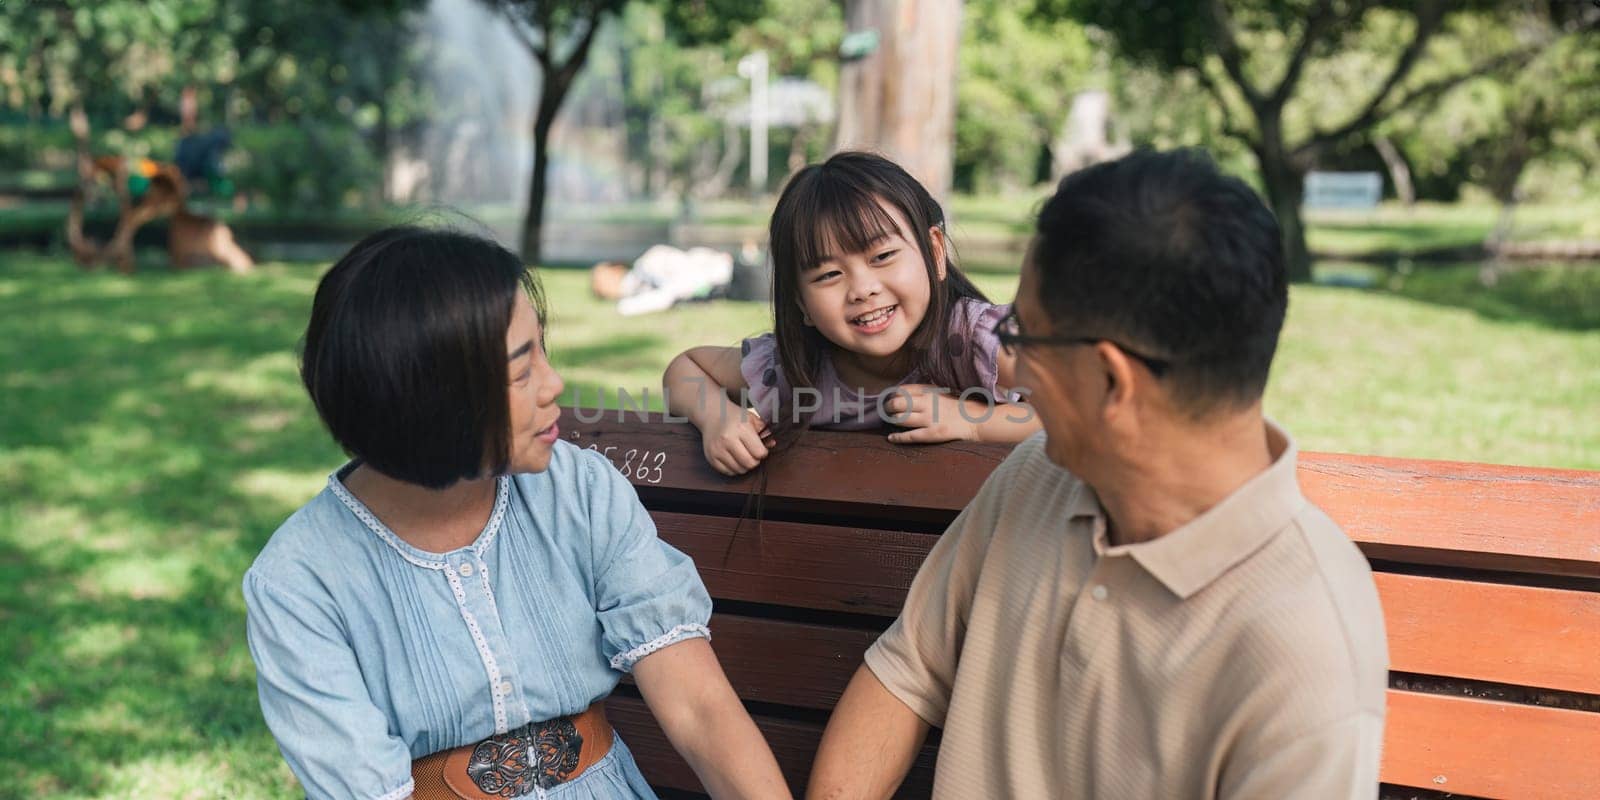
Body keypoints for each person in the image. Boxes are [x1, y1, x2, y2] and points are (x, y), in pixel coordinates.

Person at [806, 150, 1389, 799]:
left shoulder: (1303, 645)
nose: (1013, 371)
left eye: (1023, 336)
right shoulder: (1038, 476)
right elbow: (908, 673)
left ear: (1111, 380)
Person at [242, 227, 789, 800]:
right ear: (425, 402)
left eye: (543, 352)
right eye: (521, 371)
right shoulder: (298, 583)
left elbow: (700, 710)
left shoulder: (578, 489)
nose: (555, 385)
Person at [663, 151, 1040, 476]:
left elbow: (1083, 415)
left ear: (935, 253)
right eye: (829, 275)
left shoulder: (975, 341)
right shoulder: (799, 372)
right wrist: (717, 417)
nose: (862, 289)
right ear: (800, 304)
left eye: (882, 257)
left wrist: (971, 423)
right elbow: (686, 368)